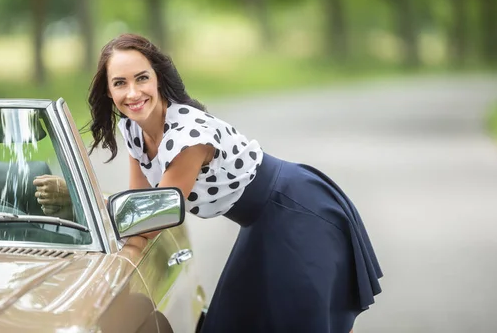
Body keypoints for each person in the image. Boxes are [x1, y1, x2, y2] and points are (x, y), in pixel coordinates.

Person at [39, 33, 383, 333]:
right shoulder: (133, 128)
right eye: (120, 83)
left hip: (297, 209)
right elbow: (138, 204)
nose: (133, 92)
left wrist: (79, 201)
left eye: (142, 78)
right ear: (108, 90)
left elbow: (153, 216)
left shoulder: (189, 137)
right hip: (260, 223)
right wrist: (119, 252)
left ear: (158, 78)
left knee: (306, 322)